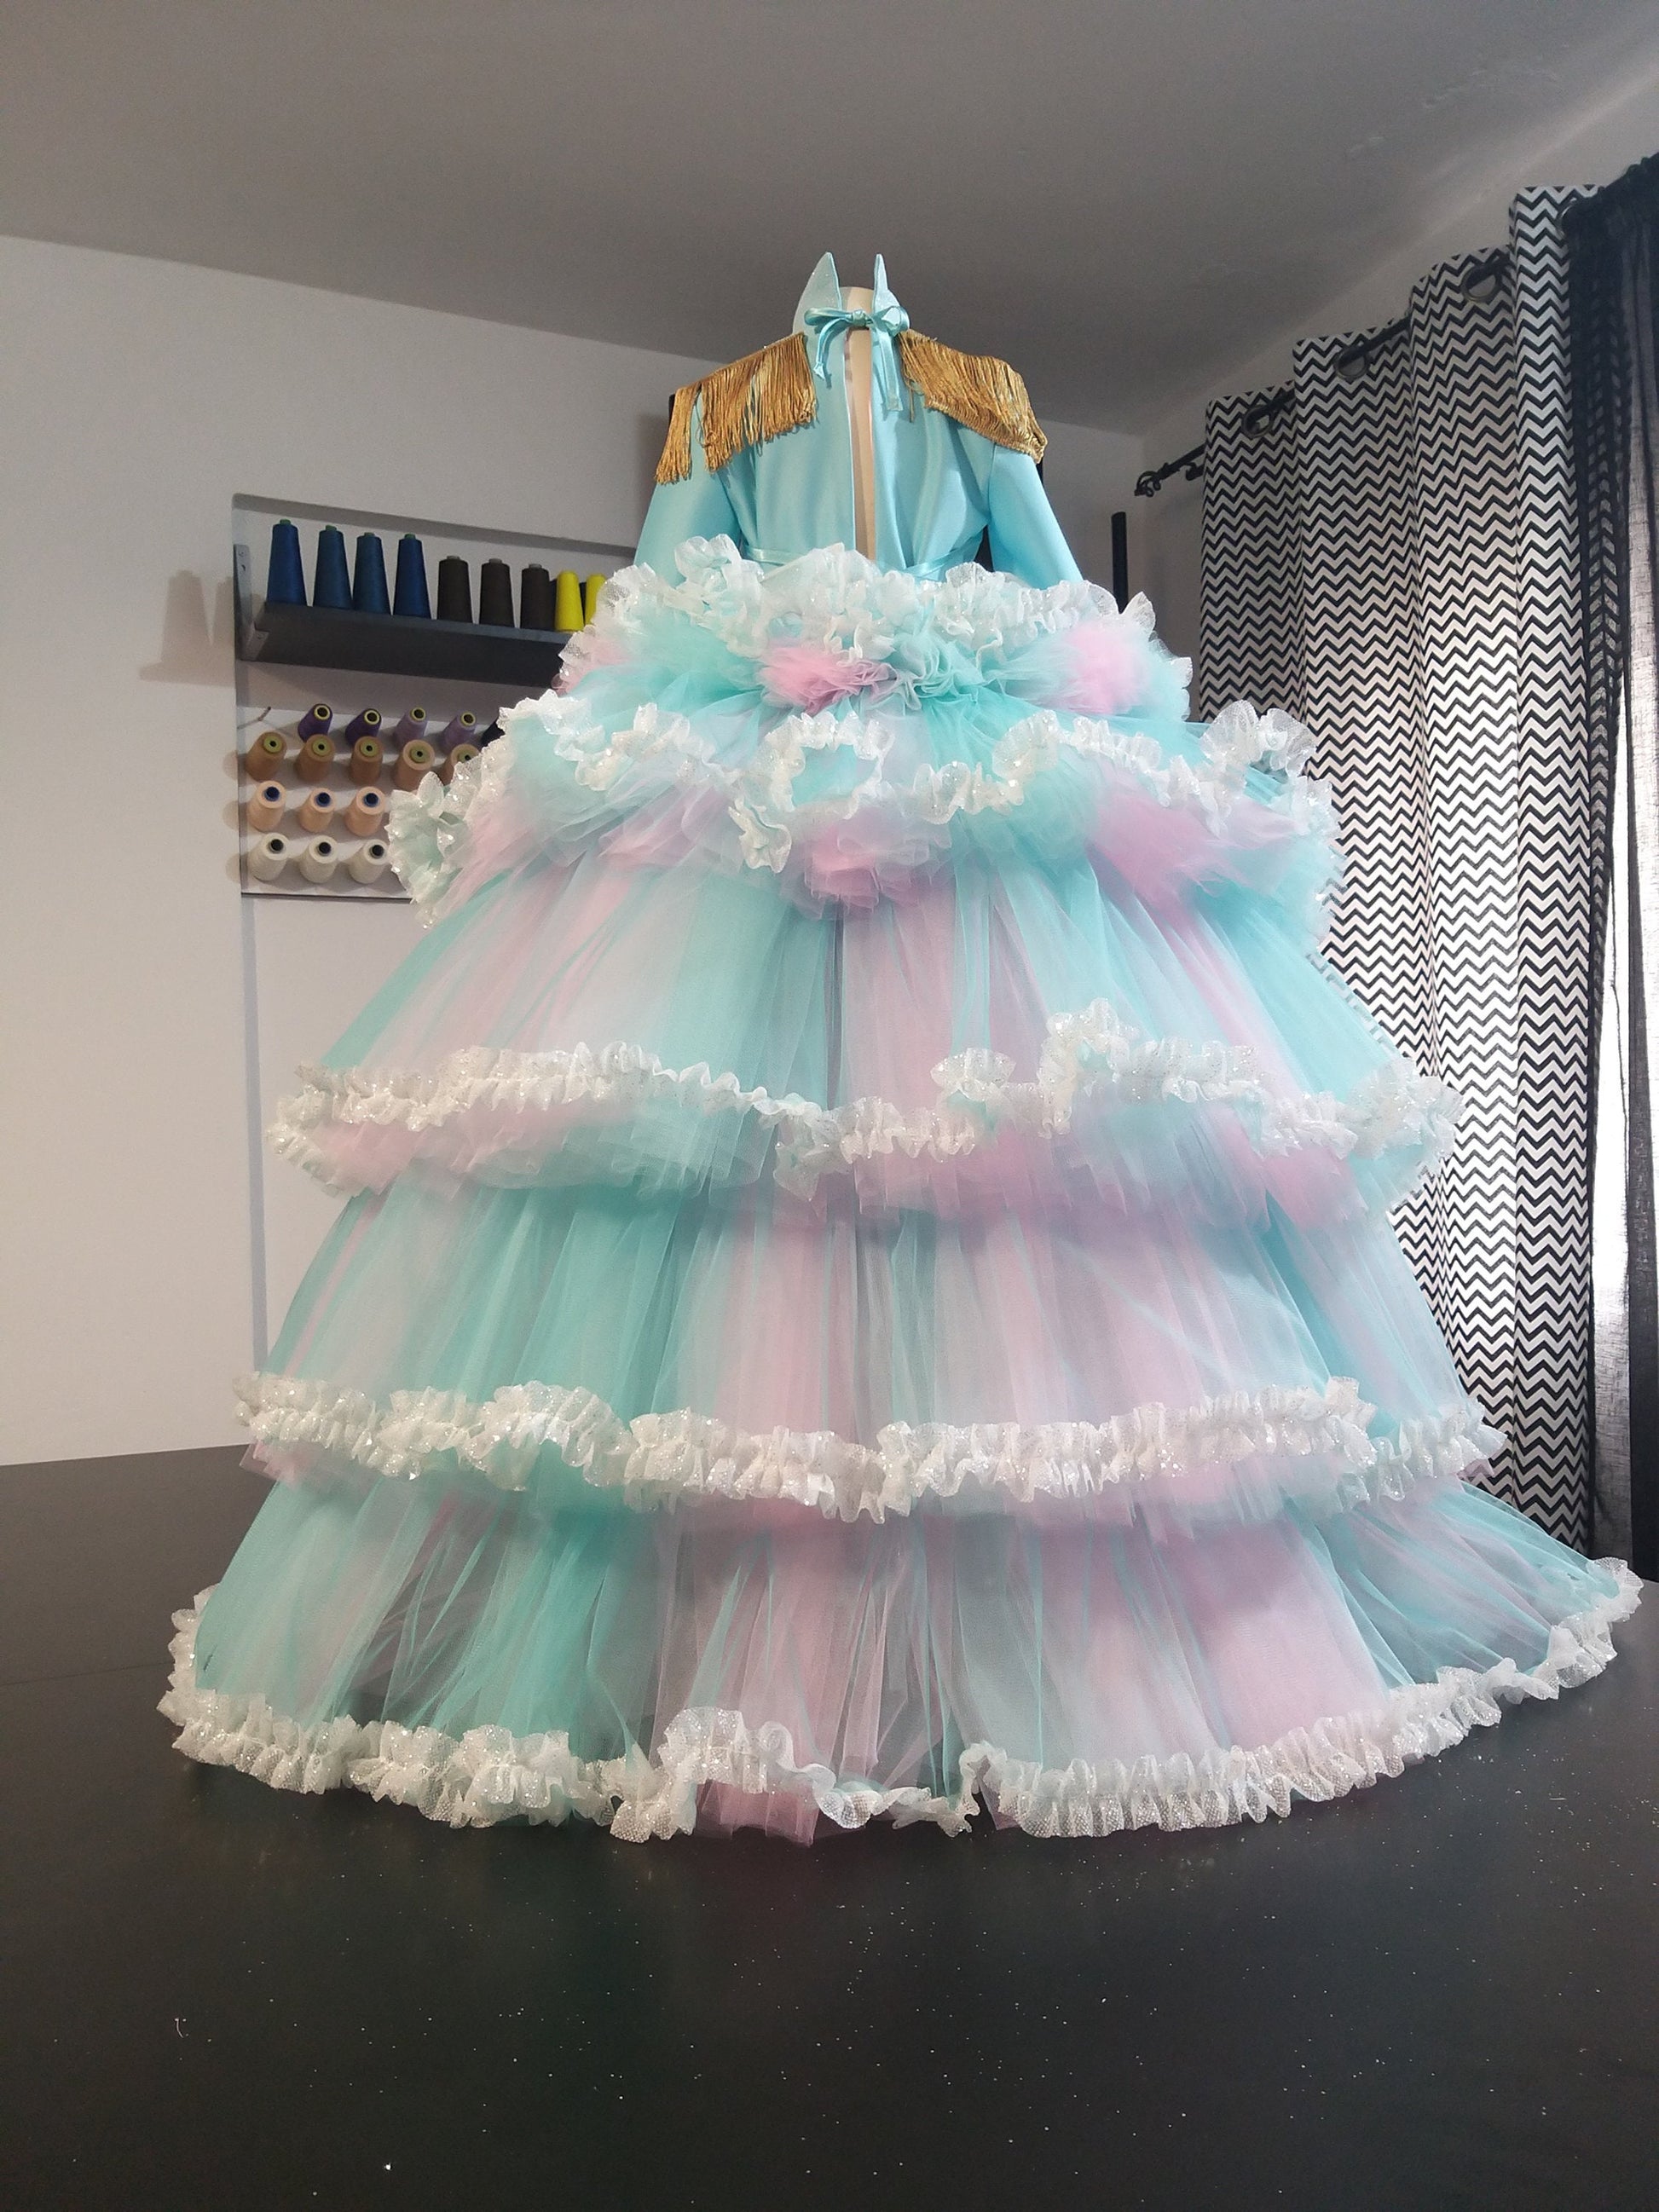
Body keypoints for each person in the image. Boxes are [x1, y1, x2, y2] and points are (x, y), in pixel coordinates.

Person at [165, 256, 1637, 1842]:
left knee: (817, 1141)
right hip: (941, 739)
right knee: (952, 1134)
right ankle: (1002, 1646)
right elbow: (1054, 590)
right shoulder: (959, 390)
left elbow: (654, 600)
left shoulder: (736, 403)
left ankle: (789, 1637)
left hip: (798, 745)